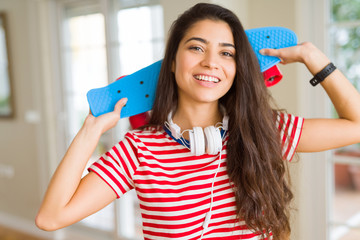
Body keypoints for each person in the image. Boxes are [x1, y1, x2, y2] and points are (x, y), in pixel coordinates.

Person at [35, 3, 360, 240]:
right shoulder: (140, 150)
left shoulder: (265, 130)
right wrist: (89, 131)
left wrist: (312, 56)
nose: (211, 63)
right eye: (196, 48)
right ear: (173, 62)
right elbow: (51, 218)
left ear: (238, 68)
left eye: (227, 53)